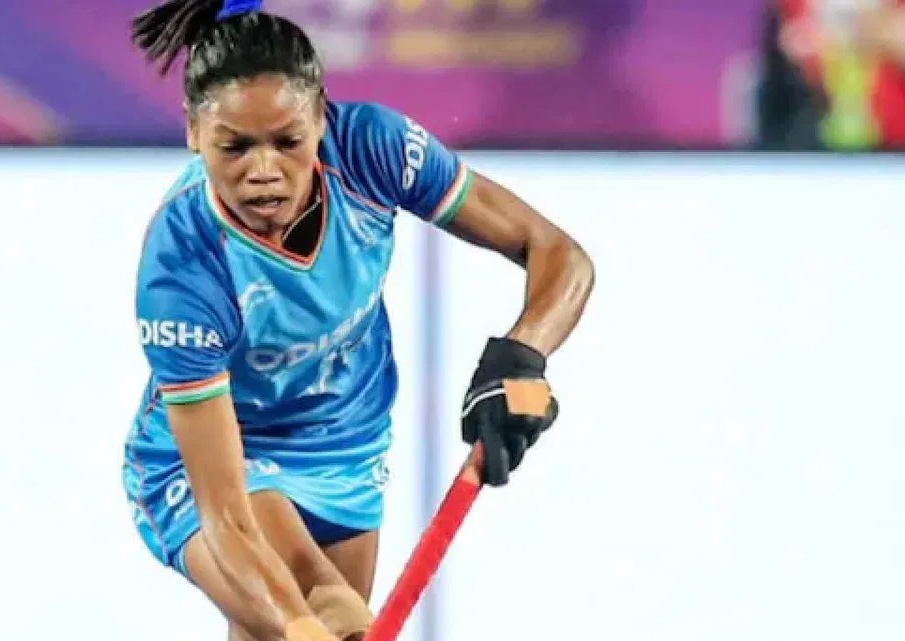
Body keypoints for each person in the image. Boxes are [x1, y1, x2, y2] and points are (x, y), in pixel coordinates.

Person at [121, 1, 595, 640]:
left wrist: (522, 356)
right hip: (216, 458)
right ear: (193, 131)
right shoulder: (181, 265)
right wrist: (298, 628)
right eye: (234, 147)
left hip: (345, 443)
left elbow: (558, 254)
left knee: (331, 616)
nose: (263, 172)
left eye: (288, 142)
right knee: (312, 604)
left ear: (320, 117)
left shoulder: (372, 150)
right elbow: (228, 516)